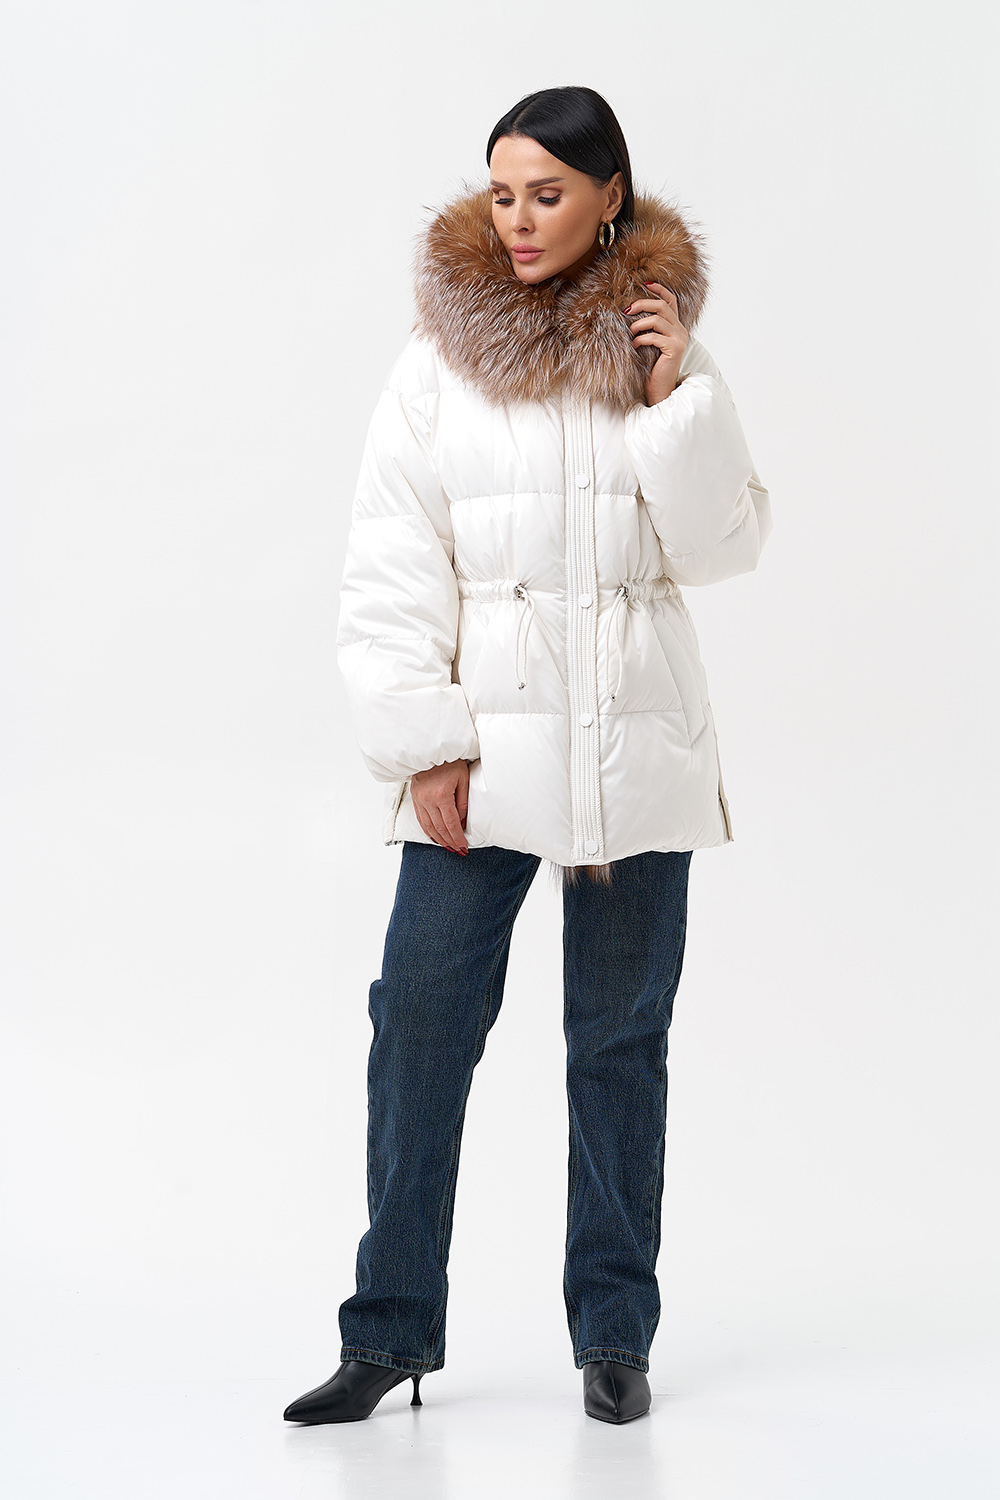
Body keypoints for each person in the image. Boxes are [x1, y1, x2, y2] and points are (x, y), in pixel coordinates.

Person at [283, 85, 772, 1428]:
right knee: (419, 1026)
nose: (518, 219)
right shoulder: (436, 361)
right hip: (482, 753)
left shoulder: (667, 352)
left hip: (638, 745)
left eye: (546, 194)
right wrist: (426, 741)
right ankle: (390, 1335)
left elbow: (725, 547)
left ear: (611, 196)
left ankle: (615, 1334)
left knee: (619, 1046)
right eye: (502, 193)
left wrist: (670, 398)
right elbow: (391, 564)